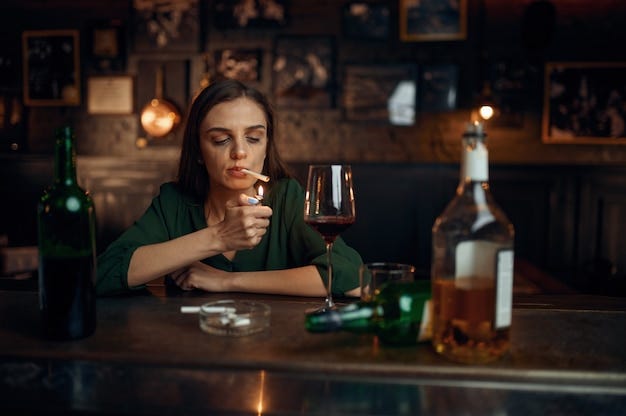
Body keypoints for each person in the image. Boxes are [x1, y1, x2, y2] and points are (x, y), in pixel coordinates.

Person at [96, 79, 363, 297]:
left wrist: (227, 281)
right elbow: (105, 273)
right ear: (198, 150)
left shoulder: (286, 197)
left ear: (267, 144)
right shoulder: (174, 201)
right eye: (221, 139)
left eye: (254, 138)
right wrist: (218, 237)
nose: (240, 152)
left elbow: (352, 279)